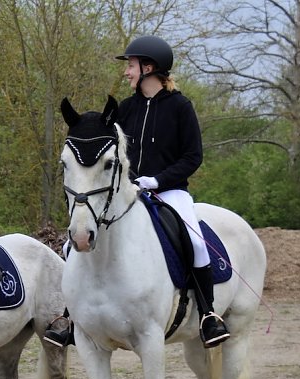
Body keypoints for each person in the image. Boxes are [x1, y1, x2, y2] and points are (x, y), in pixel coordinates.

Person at [44, 35, 229, 349]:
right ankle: (71, 315)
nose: (126, 72)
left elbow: (192, 156)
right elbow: (105, 148)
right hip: (127, 193)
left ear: (149, 67)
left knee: (195, 242)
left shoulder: (180, 107)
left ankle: (208, 315)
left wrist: (158, 180)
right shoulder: (126, 108)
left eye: (130, 66)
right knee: (73, 244)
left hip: (169, 192)